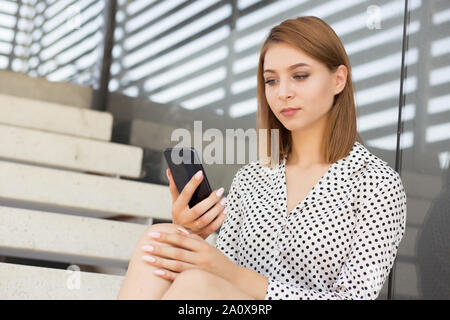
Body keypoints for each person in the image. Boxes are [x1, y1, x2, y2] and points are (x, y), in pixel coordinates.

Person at [117, 16, 407, 300]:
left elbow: (354, 298)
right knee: (159, 240)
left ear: (338, 80)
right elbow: (220, 271)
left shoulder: (377, 184)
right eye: (271, 80)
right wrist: (190, 232)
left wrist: (230, 274)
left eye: (300, 76)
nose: (283, 93)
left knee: (196, 286)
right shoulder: (251, 177)